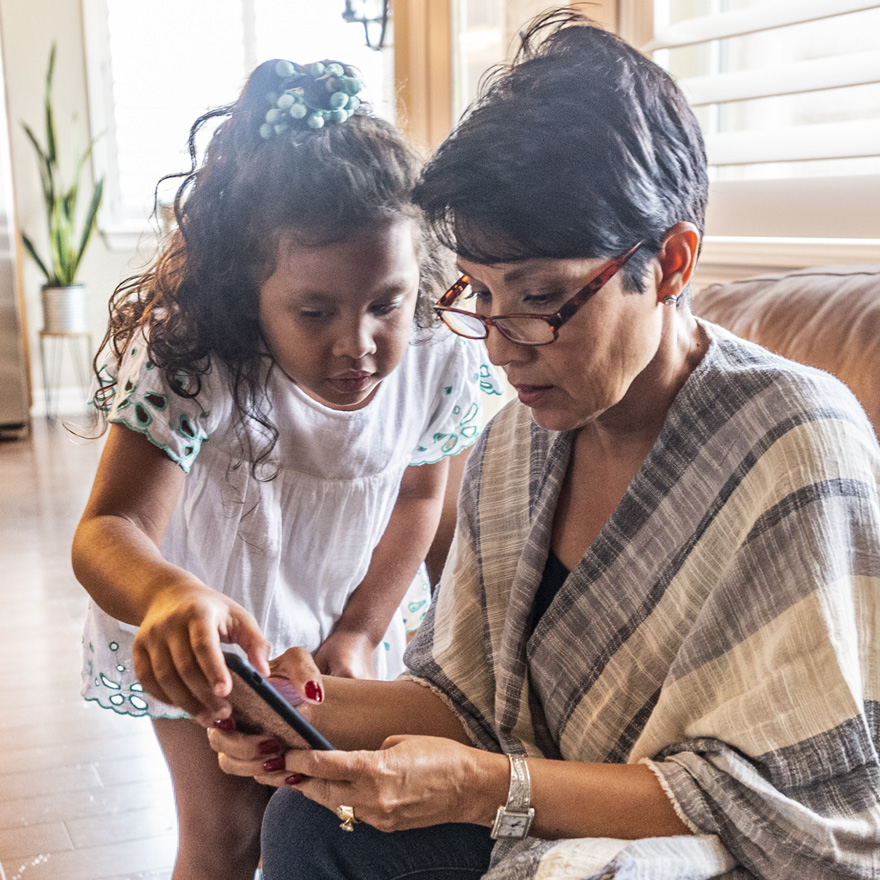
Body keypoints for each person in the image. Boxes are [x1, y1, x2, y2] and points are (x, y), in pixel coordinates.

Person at [207, 11, 880, 880]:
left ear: (672, 263)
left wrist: (489, 789)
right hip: (544, 807)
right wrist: (308, 707)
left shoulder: (795, 444)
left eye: (541, 297)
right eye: (479, 295)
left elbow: (800, 808)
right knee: (305, 821)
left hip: (701, 856)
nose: (499, 343)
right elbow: (478, 709)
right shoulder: (517, 445)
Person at [71, 57, 498, 880]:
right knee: (229, 836)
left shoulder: (438, 349)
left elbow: (420, 493)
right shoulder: (196, 350)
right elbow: (109, 529)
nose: (360, 344)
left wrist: (362, 631)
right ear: (247, 293)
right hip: (202, 630)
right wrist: (169, 595)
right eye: (315, 312)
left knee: (322, 816)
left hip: (344, 608)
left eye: (387, 302)